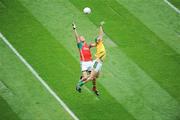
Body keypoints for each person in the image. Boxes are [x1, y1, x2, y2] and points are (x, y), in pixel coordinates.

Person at [76, 22, 106, 96]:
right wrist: (100, 26)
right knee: (91, 77)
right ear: (97, 40)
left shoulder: (99, 43)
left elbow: (101, 34)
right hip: (97, 62)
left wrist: (100, 26)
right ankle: (80, 84)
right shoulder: (98, 43)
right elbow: (100, 35)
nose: (100, 38)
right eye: (99, 39)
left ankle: (93, 87)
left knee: (97, 76)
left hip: (99, 63)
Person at [72, 22, 94, 93]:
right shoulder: (80, 45)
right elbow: (76, 37)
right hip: (84, 62)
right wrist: (74, 28)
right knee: (85, 77)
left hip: (90, 62)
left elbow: (94, 44)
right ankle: (78, 85)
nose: (82, 37)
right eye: (81, 37)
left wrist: (98, 42)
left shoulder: (87, 45)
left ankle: (80, 83)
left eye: (82, 37)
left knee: (91, 77)